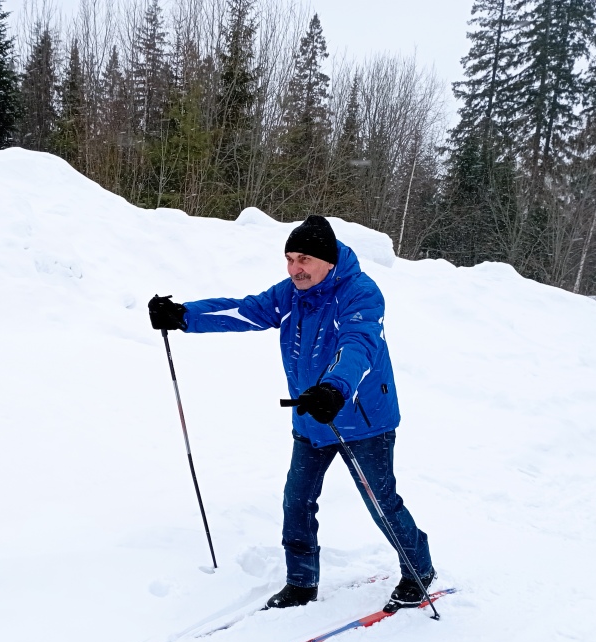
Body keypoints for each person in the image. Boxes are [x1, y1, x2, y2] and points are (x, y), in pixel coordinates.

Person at [148, 215, 434, 611]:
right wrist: (185, 316)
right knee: (296, 501)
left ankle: (418, 569)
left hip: (361, 419)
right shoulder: (291, 294)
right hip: (311, 418)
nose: (295, 268)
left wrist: (335, 388)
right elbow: (247, 311)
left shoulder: (360, 294)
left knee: (381, 502)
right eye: (289, 259)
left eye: (304, 259)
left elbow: (359, 345)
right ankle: (301, 582)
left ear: (328, 261)